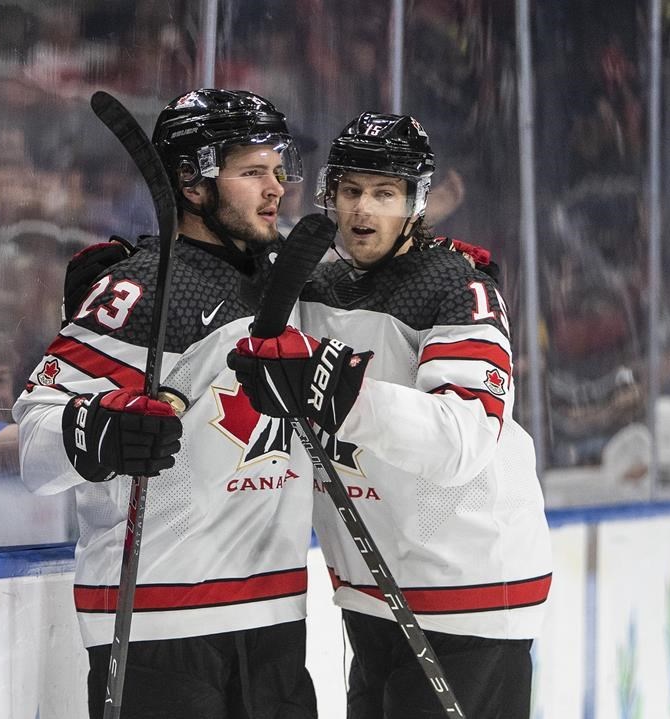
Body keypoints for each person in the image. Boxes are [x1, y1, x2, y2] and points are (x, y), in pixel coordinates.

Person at [228, 113, 553, 718]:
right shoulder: (316, 284)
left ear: (416, 202)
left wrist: (340, 394)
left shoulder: (458, 287)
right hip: (372, 592)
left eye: (385, 194)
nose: (363, 211)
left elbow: (463, 438)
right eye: (351, 191)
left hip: (468, 592)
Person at [13, 89, 318, 719]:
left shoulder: (285, 279)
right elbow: (34, 446)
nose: (276, 189)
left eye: (279, 171)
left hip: (275, 614)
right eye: (253, 172)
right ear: (193, 180)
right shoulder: (141, 289)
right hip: (158, 621)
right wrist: (100, 433)